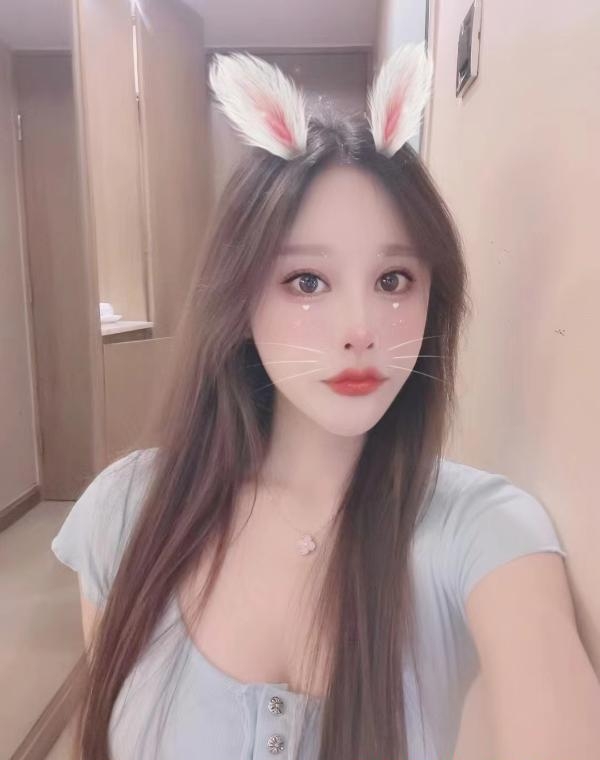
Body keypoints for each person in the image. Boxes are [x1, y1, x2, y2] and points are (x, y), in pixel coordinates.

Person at [51, 44, 581, 760]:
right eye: (307, 281)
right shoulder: (127, 511)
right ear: (240, 299)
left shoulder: (482, 530)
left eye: (393, 280)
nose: (360, 329)